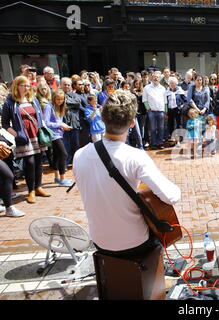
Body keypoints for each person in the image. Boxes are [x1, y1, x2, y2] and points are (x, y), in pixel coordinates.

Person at [73, 92, 181, 256]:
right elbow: (171, 196)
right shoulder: (135, 156)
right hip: (135, 241)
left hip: (99, 240)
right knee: (164, 232)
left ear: (102, 119)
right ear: (132, 124)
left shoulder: (79, 154)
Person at [2, 76, 51, 203]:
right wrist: (17, 135)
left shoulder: (33, 99)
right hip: (24, 136)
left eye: (28, 85)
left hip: (36, 134)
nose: (26, 88)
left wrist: (42, 129)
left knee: (39, 160)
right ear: (16, 86)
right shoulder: (10, 102)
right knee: (29, 162)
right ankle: (31, 191)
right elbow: (5, 124)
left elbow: (39, 116)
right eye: (23, 85)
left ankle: (38, 187)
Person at [43, 89, 73, 186]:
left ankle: (56, 177)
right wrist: (60, 125)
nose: (60, 101)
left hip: (59, 134)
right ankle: (62, 178)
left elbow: (58, 121)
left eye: (62, 99)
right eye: (58, 99)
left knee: (56, 155)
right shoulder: (48, 106)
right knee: (63, 154)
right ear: (54, 98)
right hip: (53, 135)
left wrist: (63, 125)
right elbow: (46, 123)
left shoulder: (60, 107)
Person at [60, 77, 84, 165]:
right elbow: (60, 104)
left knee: (76, 144)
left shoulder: (75, 95)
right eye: (65, 85)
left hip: (74, 122)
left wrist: (66, 102)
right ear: (60, 85)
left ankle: (77, 162)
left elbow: (77, 103)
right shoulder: (57, 95)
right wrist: (67, 103)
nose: (67, 86)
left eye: (68, 85)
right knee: (65, 144)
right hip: (63, 123)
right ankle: (66, 162)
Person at [143, 70, 166, 150]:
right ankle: (153, 143)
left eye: (157, 77)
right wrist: (148, 109)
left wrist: (165, 111)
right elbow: (144, 100)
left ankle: (160, 143)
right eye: (154, 77)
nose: (155, 78)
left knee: (161, 128)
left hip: (161, 111)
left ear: (159, 78)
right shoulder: (147, 87)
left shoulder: (163, 88)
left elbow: (165, 101)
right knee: (152, 128)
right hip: (151, 111)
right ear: (151, 78)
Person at [165, 77, 186, 146]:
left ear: (176, 84)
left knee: (179, 125)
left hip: (178, 110)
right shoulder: (167, 92)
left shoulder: (180, 91)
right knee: (170, 125)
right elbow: (165, 102)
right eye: (170, 83)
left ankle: (178, 140)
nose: (171, 84)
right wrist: (166, 111)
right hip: (170, 110)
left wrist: (182, 106)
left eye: (173, 83)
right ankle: (173, 139)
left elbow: (186, 101)